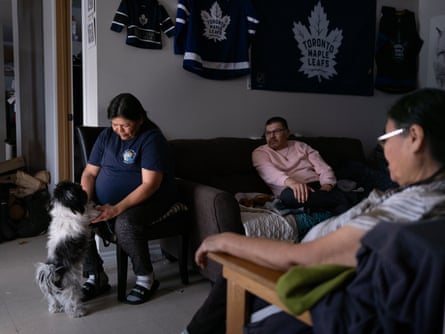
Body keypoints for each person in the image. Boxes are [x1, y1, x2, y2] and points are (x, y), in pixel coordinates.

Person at [182, 88, 445, 334]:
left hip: (319, 280)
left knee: (237, 267)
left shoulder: (409, 208)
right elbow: (276, 177)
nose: (383, 151)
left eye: (385, 138)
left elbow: (300, 258)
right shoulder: (428, 196)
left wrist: (226, 239)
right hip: (294, 197)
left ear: (414, 137)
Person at [80, 93, 181, 305]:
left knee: (125, 223)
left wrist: (116, 209)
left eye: (125, 125)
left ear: (140, 119)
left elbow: (150, 184)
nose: (119, 130)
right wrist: (86, 202)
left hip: (150, 200)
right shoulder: (107, 137)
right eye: (115, 125)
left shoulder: (151, 139)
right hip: (110, 203)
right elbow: (89, 173)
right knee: (78, 218)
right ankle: (95, 275)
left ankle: (146, 278)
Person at [252, 116, 356, 215]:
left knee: (353, 168)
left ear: (287, 133)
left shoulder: (301, 146)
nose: (272, 136)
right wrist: (293, 183)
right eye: (268, 133)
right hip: (290, 190)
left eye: (276, 131)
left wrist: (327, 185)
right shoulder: (260, 152)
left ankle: (331, 203)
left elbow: (323, 167)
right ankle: (351, 198)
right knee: (286, 197)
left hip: (317, 186)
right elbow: (269, 173)